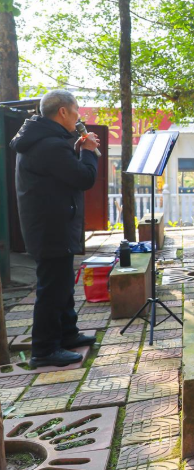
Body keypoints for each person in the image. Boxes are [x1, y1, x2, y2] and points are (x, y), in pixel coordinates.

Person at [11, 90, 99, 367]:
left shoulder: (41, 138)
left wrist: (77, 150)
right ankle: (45, 349)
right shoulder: (49, 145)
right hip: (50, 227)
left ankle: (67, 334)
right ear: (62, 111)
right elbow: (83, 178)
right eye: (76, 111)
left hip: (49, 224)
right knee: (52, 288)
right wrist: (88, 152)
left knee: (62, 284)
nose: (78, 117)